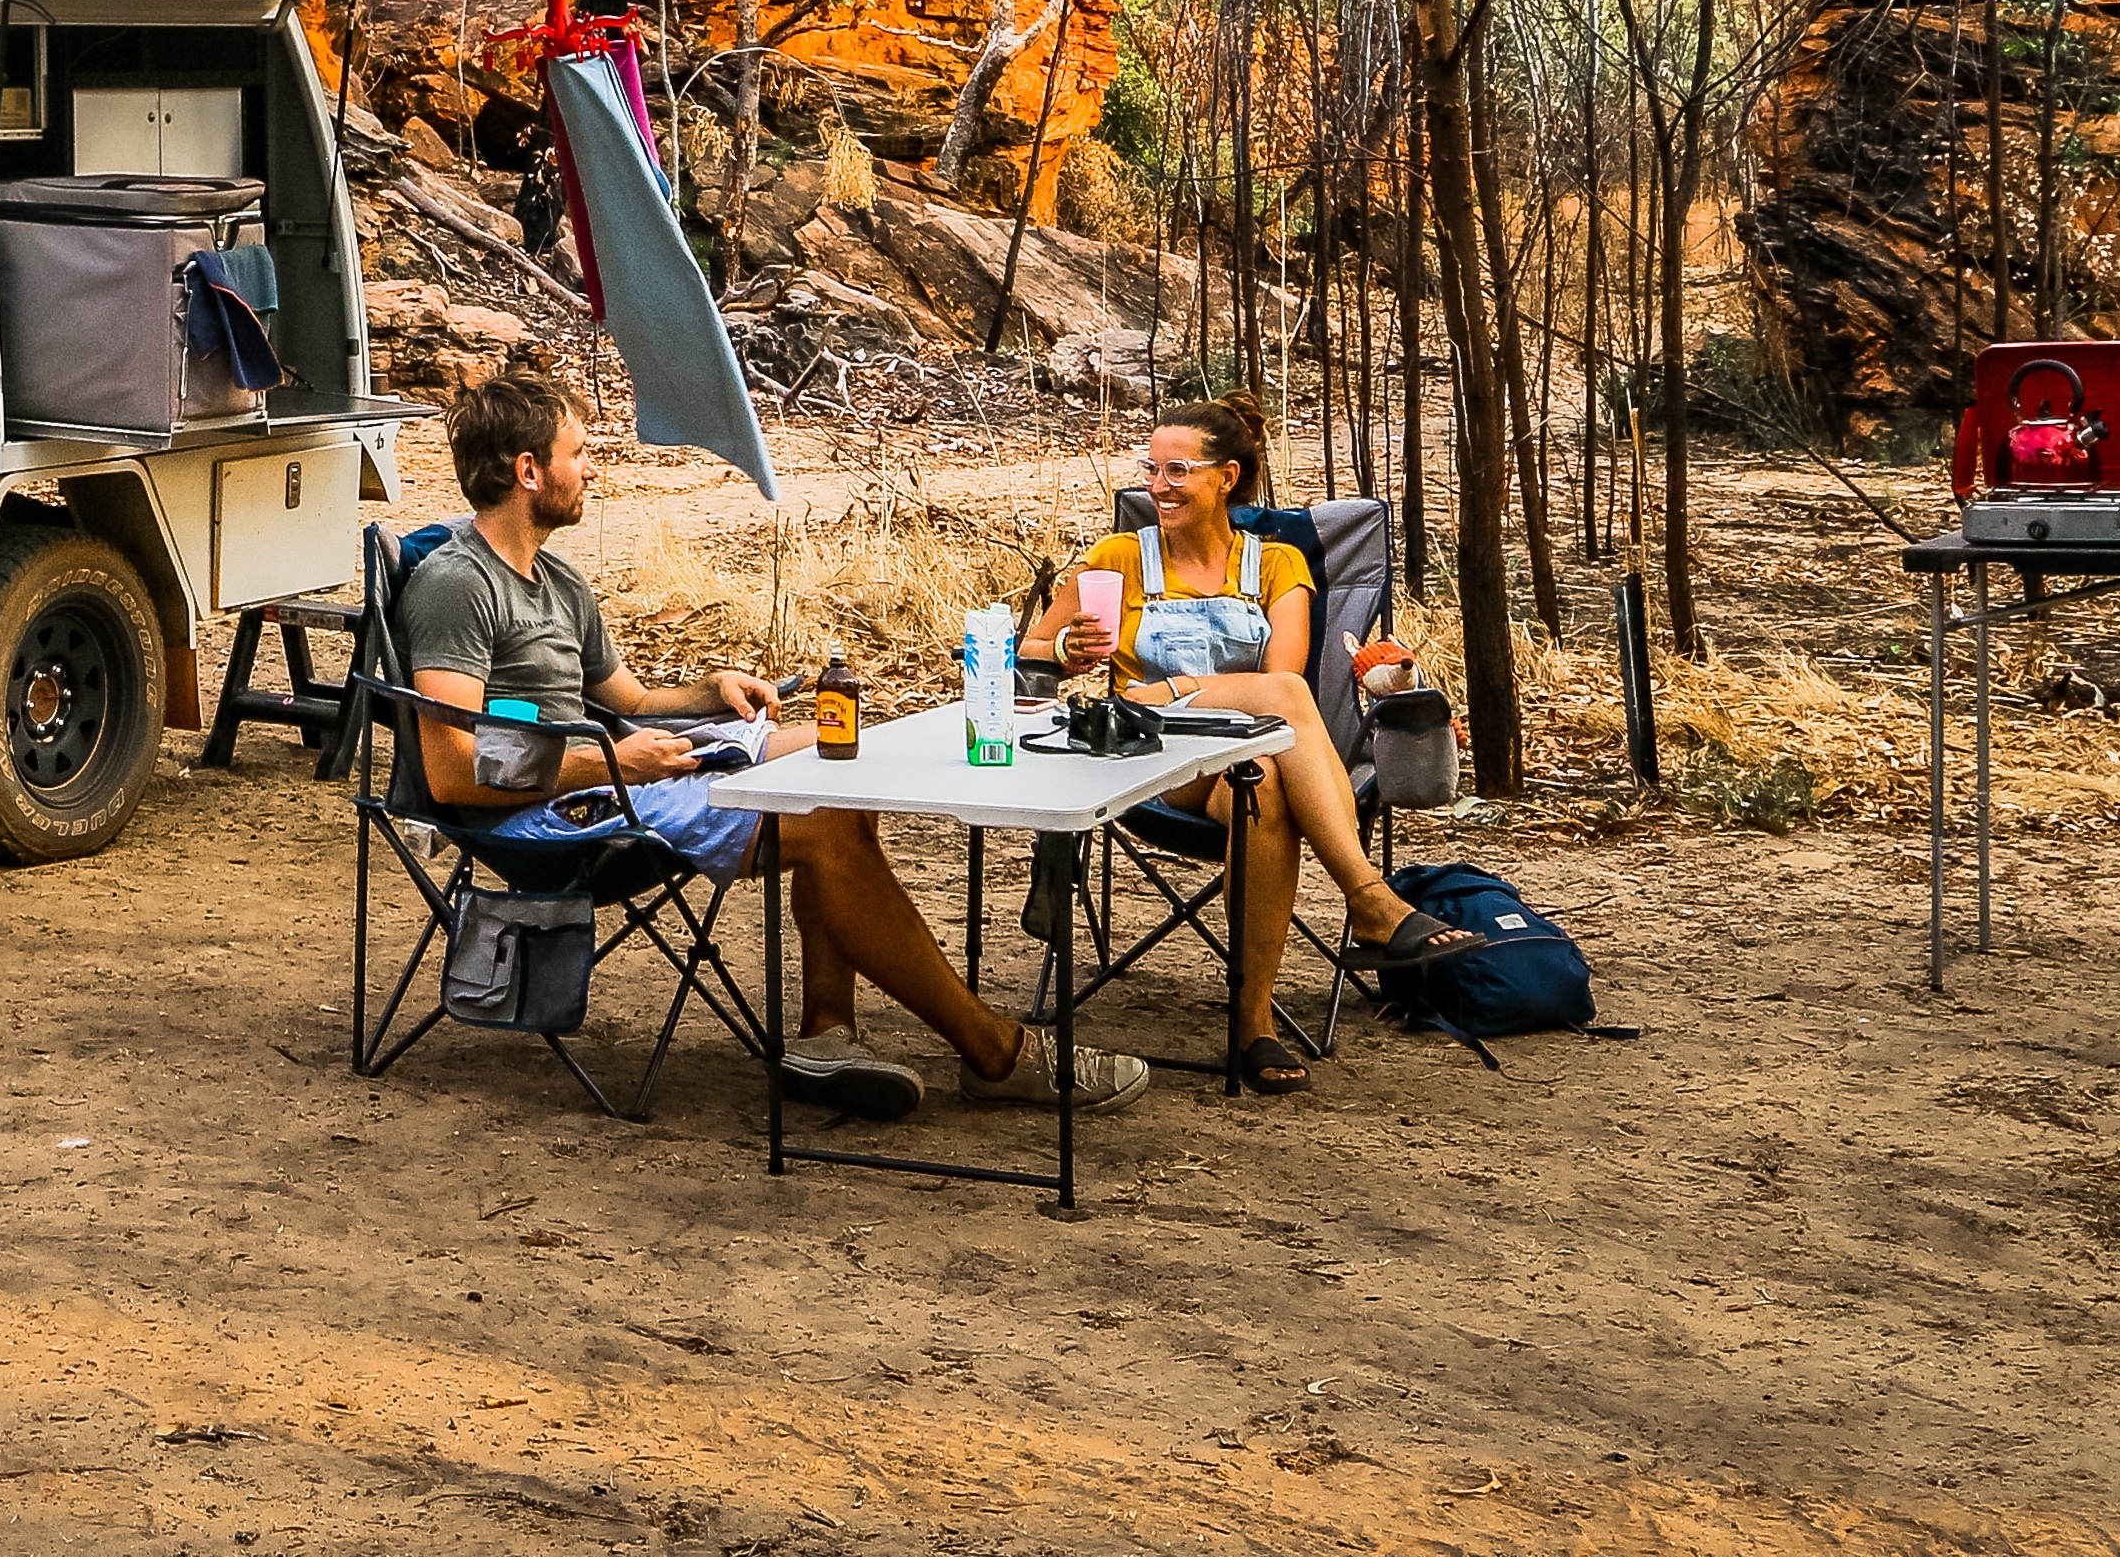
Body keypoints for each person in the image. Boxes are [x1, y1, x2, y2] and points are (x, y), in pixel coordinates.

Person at [406, 360, 1148, 1122]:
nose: (593, 468)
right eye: (579, 453)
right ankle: (996, 1053)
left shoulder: (555, 578)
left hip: (603, 772)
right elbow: (453, 774)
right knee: (820, 820)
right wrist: (615, 762)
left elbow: (631, 701)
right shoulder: (458, 585)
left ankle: (827, 1034)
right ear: (529, 471)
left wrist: (711, 690)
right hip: (540, 813)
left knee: (838, 755)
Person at [1053, 393, 1480, 1091]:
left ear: (1226, 477)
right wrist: (1066, 650)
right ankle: (1366, 900)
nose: (1157, 486)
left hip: (1241, 756)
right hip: (1148, 758)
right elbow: (1030, 657)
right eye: (1151, 469)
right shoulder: (1117, 558)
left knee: (1267, 778)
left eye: (1177, 471)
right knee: (1280, 703)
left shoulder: (1278, 565)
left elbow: (1280, 683)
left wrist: (1168, 687)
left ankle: (1253, 1024)